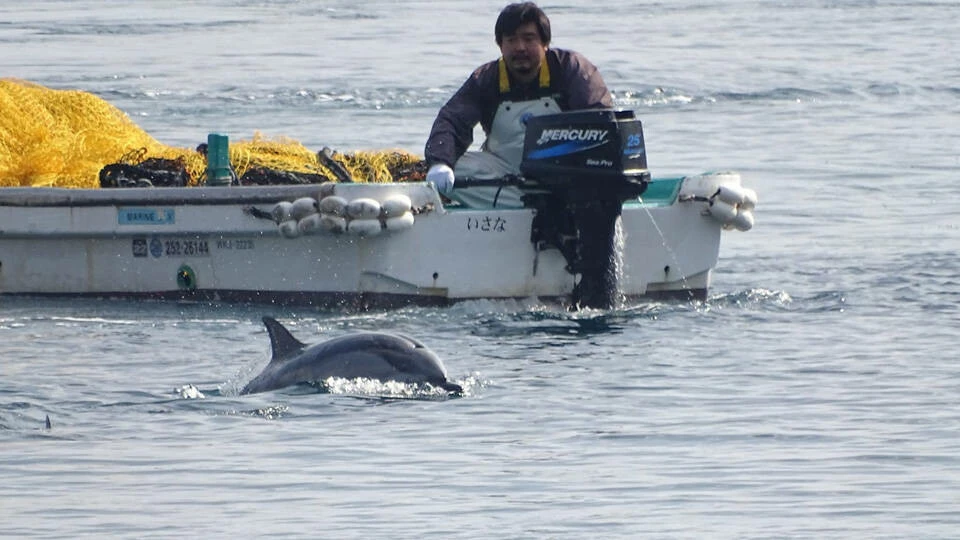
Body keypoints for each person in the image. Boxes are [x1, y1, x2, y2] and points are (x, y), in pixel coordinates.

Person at [424, 2, 613, 208]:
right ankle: (533, 203)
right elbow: (452, 120)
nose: (520, 47)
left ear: (545, 42)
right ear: (500, 45)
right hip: (507, 172)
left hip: (567, 172)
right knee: (453, 167)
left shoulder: (571, 69)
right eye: (511, 40)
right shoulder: (485, 79)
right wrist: (440, 162)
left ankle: (548, 201)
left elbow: (601, 120)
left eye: (528, 38)